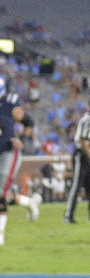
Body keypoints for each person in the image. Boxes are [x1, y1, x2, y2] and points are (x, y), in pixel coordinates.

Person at [1, 78, 40, 242]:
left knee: (0, 193)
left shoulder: (8, 103)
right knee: (3, 193)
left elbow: (28, 121)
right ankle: (29, 202)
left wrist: (22, 138)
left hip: (8, 151)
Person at [65, 97, 90, 224]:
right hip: (83, 156)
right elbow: (83, 141)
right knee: (76, 186)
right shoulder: (86, 120)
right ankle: (68, 216)